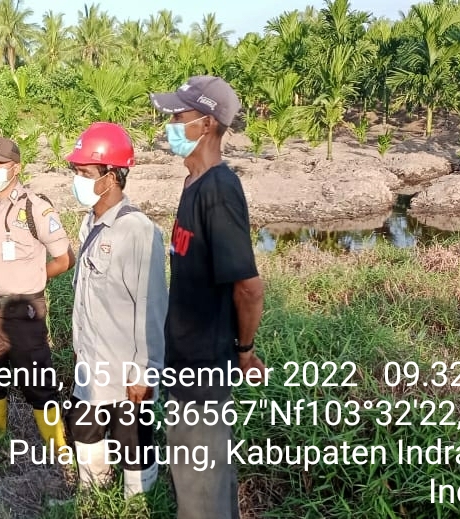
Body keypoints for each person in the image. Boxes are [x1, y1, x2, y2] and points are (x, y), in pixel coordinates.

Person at [148, 76, 266, 519]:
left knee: (201, 495)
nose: (171, 125)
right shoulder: (192, 184)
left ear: (208, 124)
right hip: (185, 362)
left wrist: (245, 350)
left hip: (202, 370)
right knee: (199, 481)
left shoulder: (218, 191)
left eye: (179, 116)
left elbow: (249, 287)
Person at [0, 137, 75, 456]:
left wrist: (35, 277)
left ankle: (58, 450)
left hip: (23, 312)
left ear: (16, 168)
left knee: (38, 381)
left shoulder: (36, 206)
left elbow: (64, 258)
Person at [65, 122, 167, 498]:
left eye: (86, 173)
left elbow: (152, 306)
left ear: (111, 177)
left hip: (127, 369)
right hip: (91, 362)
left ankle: (137, 502)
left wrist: (145, 371)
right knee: (83, 425)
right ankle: (94, 497)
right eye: (76, 172)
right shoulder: (89, 223)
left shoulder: (138, 231)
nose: (78, 180)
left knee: (133, 441)